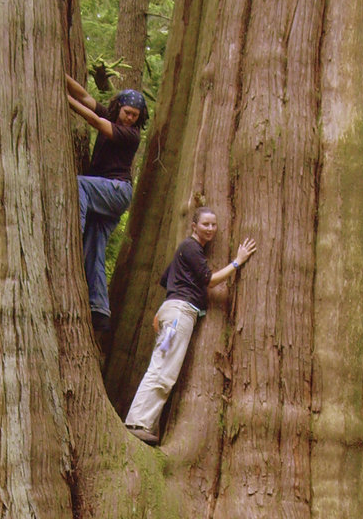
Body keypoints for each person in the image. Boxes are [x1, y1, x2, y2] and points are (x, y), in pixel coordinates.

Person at [125, 207, 257, 444]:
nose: (210, 228)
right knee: (164, 369)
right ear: (194, 225)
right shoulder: (191, 247)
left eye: (213, 225)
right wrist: (237, 262)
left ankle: (140, 420)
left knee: (161, 365)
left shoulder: (186, 250)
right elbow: (209, 280)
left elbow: (166, 279)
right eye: (205, 224)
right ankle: (138, 423)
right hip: (179, 315)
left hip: (172, 312)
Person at [66, 73, 148, 332]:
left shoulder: (130, 134)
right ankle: (100, 310)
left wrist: (62, 98)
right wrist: (63, 77)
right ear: (118, 108)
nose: (130, 118)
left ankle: (71, 238)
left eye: (135, 115)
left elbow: (94, 121)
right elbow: (86, 97)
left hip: (115, 191)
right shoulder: (112, 115)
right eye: (127, 112)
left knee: (78, 183)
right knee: (95, 248)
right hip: (104, 195)